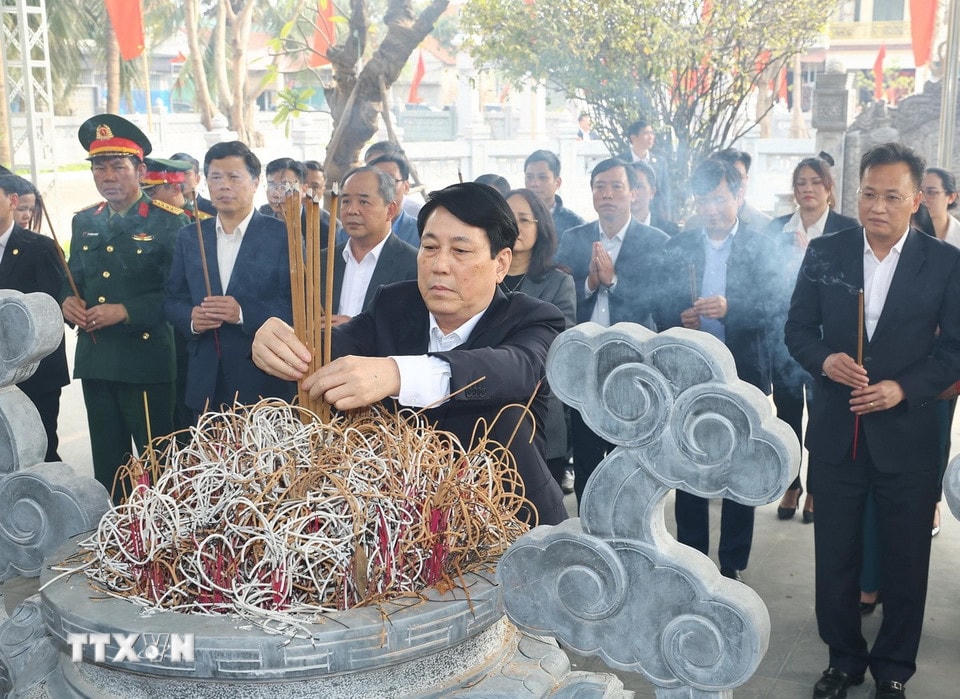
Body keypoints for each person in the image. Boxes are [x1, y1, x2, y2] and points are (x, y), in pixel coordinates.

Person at [251, 182, 567, 525]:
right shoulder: (395, 304)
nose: (439, 265)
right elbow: (331, 348)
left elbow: (515, 369)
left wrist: (397, 374)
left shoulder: (534, 319)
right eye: (429, 247)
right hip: (407, 530)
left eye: (460, 251)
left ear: (500, 263)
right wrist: (282, 343)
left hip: (512, 524)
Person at [785, 142, 960, 699]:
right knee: (835, 558)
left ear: (916, 201)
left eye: (891, 196)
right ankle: (843, 660)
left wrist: (902, 388)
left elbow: (955, 351)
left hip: (908, 436)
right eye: (868, 193)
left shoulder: (945, 262)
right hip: (838, 433)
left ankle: (893, 670)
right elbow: (797, 331)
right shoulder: (827, 253)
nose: (877, 206)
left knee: (906, 560)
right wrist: (824, 360)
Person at [655, 157, 781, 582]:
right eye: (703, 201)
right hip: (691, 374)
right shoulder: (679, 246)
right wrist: (679, 316)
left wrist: (731, 310)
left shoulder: (760, 246)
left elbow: (774, 307)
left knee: (738, 469)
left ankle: (732, 563)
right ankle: (693, 554)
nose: (711, 209)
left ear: (739, 195)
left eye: (720, 199)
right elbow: (660, 306)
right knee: (692, 464)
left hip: (742, 374)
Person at [60, 114, 188, 496]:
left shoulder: (170, 223)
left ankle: (164, 547)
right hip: (97, 360)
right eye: (100, 168)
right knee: (109, 468)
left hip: (145, 361)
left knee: (158, 465)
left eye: (118, 166)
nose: (108, 176)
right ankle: (118, 543)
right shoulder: (84, 222)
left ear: (141, 169)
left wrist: (126, 310)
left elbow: (179, 296)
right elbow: (74, 280)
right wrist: (68, 303)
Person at [556, 157, 669, 506]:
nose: (607, 194)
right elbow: (558, 296)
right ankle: (591, 532)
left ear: (633, 193)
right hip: (585, 363)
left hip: (633, 363)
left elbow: (657, 303)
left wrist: (614, 282)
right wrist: (589, 283)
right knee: (587, 455)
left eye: (616, 186)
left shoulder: (655, 241)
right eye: (600, 186)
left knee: (630, 455)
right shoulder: (574, 239)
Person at [164, 141, 295, 418]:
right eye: (216, 177)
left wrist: (242, 313)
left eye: (234, 177)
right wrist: (191, 318)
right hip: (204, 381)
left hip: (262, 380)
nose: (224, 186)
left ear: (255, 182)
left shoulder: (283, 236)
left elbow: (296, 306)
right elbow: (172, 299)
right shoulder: (190, 236)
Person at [768, 155, 858, 523]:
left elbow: (854, 285)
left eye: (815, 182)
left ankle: (818, 487)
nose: (807, 189)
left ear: (829, 189)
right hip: (786, 334)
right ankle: (792, 484)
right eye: (801, 182)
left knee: (823, 415)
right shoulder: (777, 229)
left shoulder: (847, 229)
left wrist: (811, 260)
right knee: (787, 414)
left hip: (829, 341)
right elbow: (763, 281)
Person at [502, 188, 577, 493]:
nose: (515, 227)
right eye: (508, 218)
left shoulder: (558, 282)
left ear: (540, 227)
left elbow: (559, 346)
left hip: (539, 417)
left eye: (524, 219)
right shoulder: (479, 276)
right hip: (484, 419)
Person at [0, 174, 69, 461]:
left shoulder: (40, 247)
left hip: (34, 378)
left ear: (11, 201)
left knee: (38, 456)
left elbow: (53, 313)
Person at [320, 166, 418, 325]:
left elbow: (412, 329)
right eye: (345, 201)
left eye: (363, 201)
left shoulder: (413, 265)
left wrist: (355, 327)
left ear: (390, 210)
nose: (352, 210)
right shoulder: (321, 261)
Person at [920, 166, 960, 538]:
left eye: (933, 191)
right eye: (922, 191)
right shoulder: (908, 236)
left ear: (951, 196)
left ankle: (931, 501)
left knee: (940, 433)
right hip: (911, 356)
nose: (926, 197)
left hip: (949, 357)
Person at [260, 157, 341, 240]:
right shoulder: (262, 214)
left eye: (285, 186)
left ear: (304, 189)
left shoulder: (325, 227)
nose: (276, 194)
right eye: (271, 185)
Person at [523, 150, 584, 239]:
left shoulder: (575, 225)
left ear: (557, 183)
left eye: (542, 177)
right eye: (529, 177)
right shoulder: (513, 219)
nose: (534, 183)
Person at [617, 119, 671, 219]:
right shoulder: (620, 161)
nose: (651, 137)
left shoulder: (660, 162)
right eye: (646, 133)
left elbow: (665, 191)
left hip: (655, 216)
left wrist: (667, 214)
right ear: (633, 138)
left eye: (652, 133)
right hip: (628, 213)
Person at [368, 153, 421, 247]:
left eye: (390, 180)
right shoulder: (349, 232)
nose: (383, 187)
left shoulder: (421, 233)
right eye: (377, 180)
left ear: (406, 187)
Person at [364, 140, 423, 217]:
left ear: (406, 186)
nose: (381, 185)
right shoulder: (356, 212)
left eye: (389, 179)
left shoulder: (421, 217)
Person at [629, 161, 679, 236]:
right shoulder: (611, 230)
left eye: (639, 186)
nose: (633, 193)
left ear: (652, 192)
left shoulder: (669, 231)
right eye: (629, 186)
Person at [170, 152, 216, 217]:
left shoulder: (214, 210)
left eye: (186, 173)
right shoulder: (164, 211)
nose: (180, 178)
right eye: (175, 174)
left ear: (197, 179)